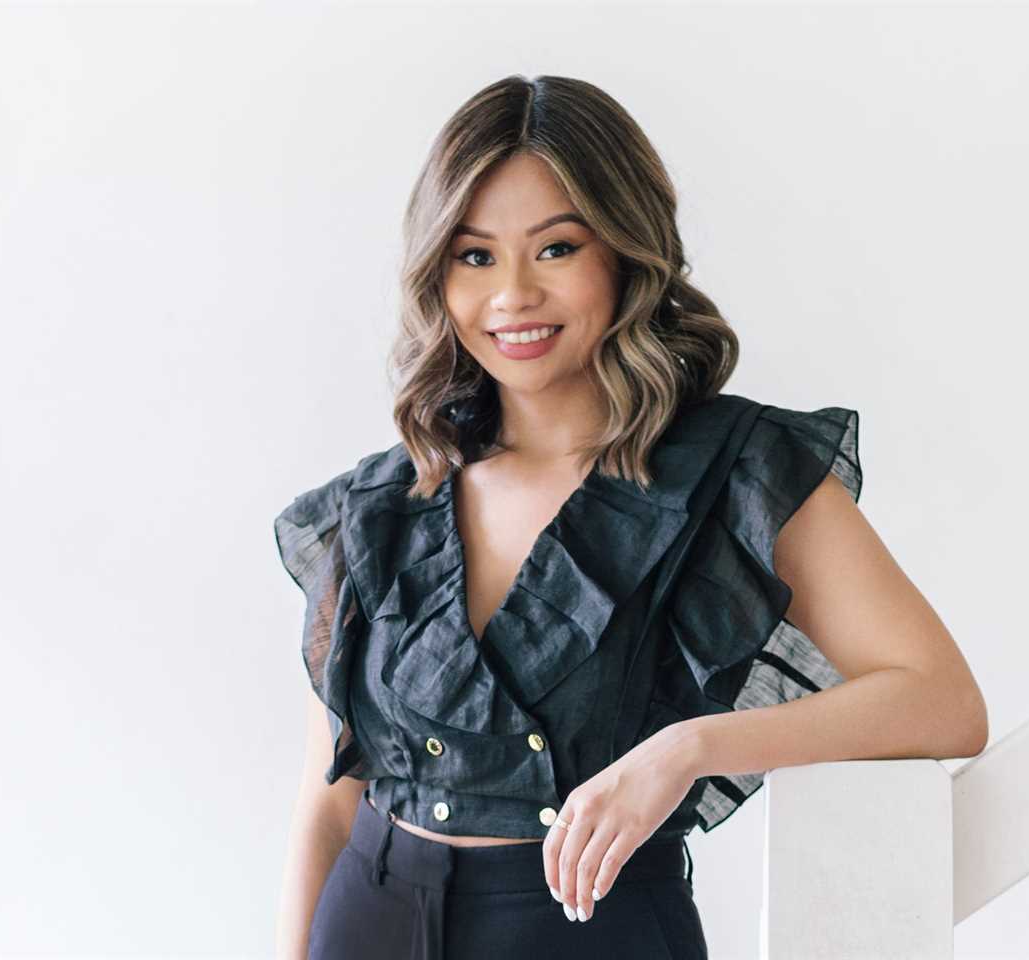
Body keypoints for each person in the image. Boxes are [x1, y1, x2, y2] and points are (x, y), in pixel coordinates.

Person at [273, 74, 988, 960]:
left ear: (624, 250)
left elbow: (943, 701)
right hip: (369, 922)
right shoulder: (380, 504)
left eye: (557, 249)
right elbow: (329, 803)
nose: (512, 297)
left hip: (591, 934)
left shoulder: (735, 471)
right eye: (474, 255)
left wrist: (688, 749)